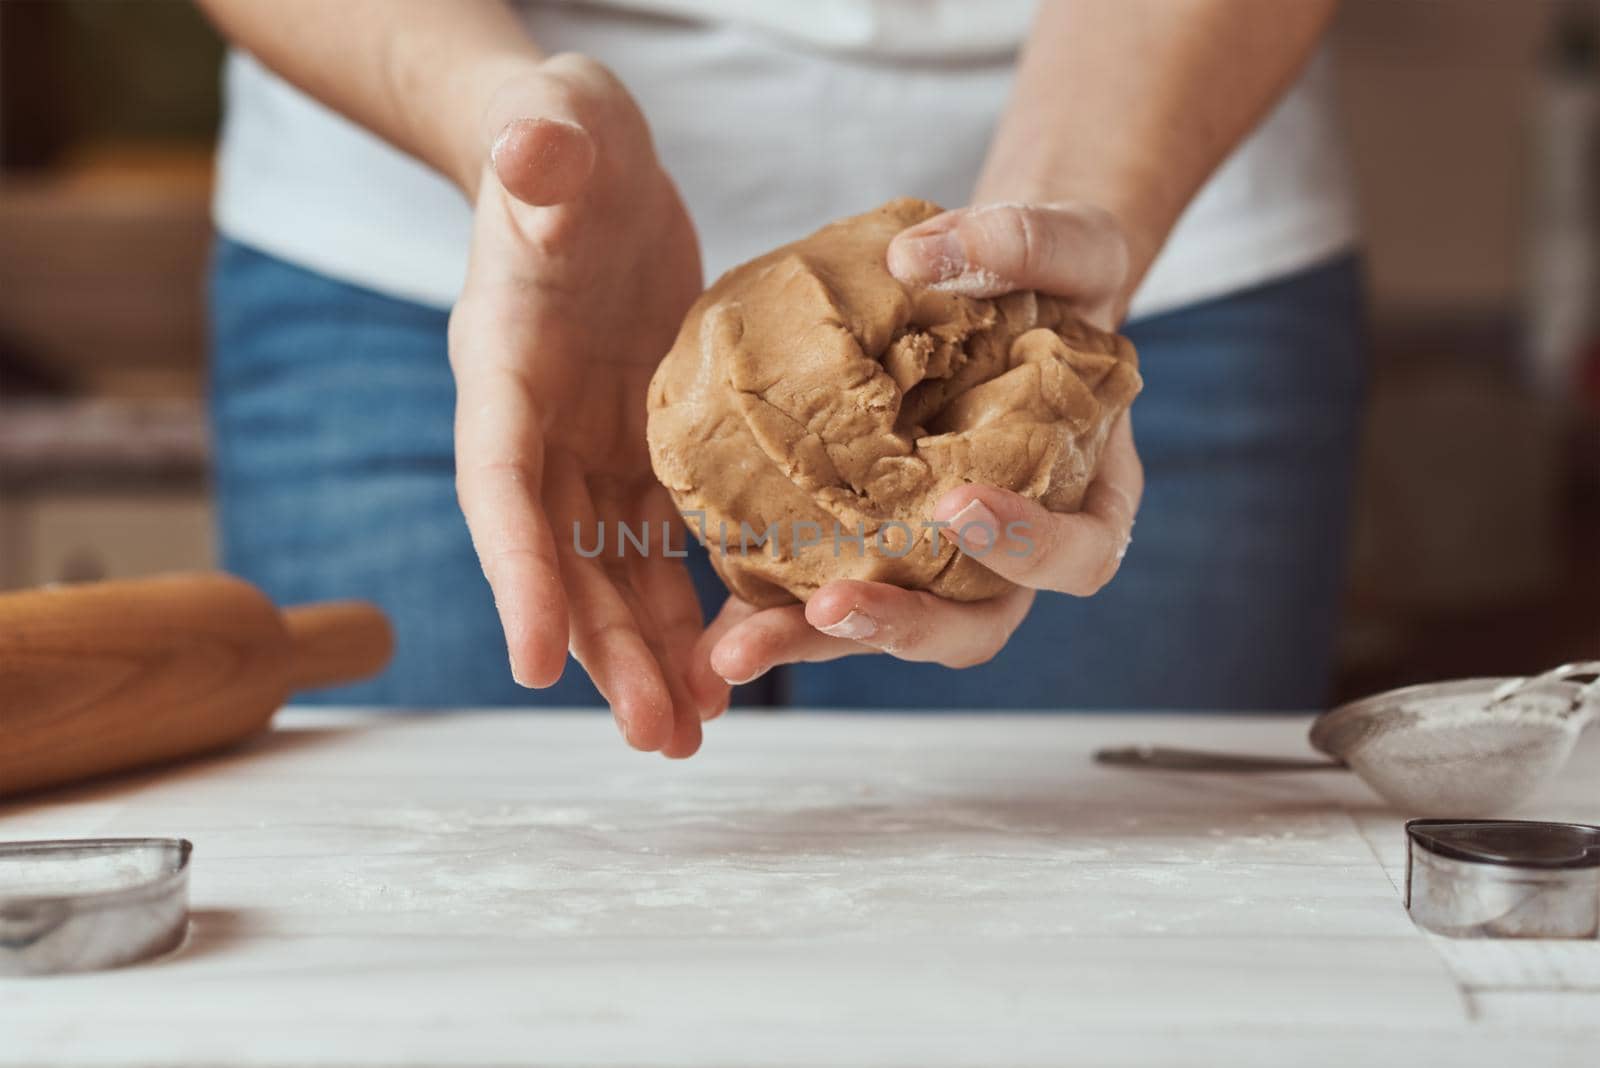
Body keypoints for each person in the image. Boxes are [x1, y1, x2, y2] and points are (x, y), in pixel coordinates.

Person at [199, 0, 1367, 757]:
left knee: (1087, 946)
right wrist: (500, 133)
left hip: (1147, 187)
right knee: (471, 928)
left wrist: (1059, 248)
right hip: (441, 260)